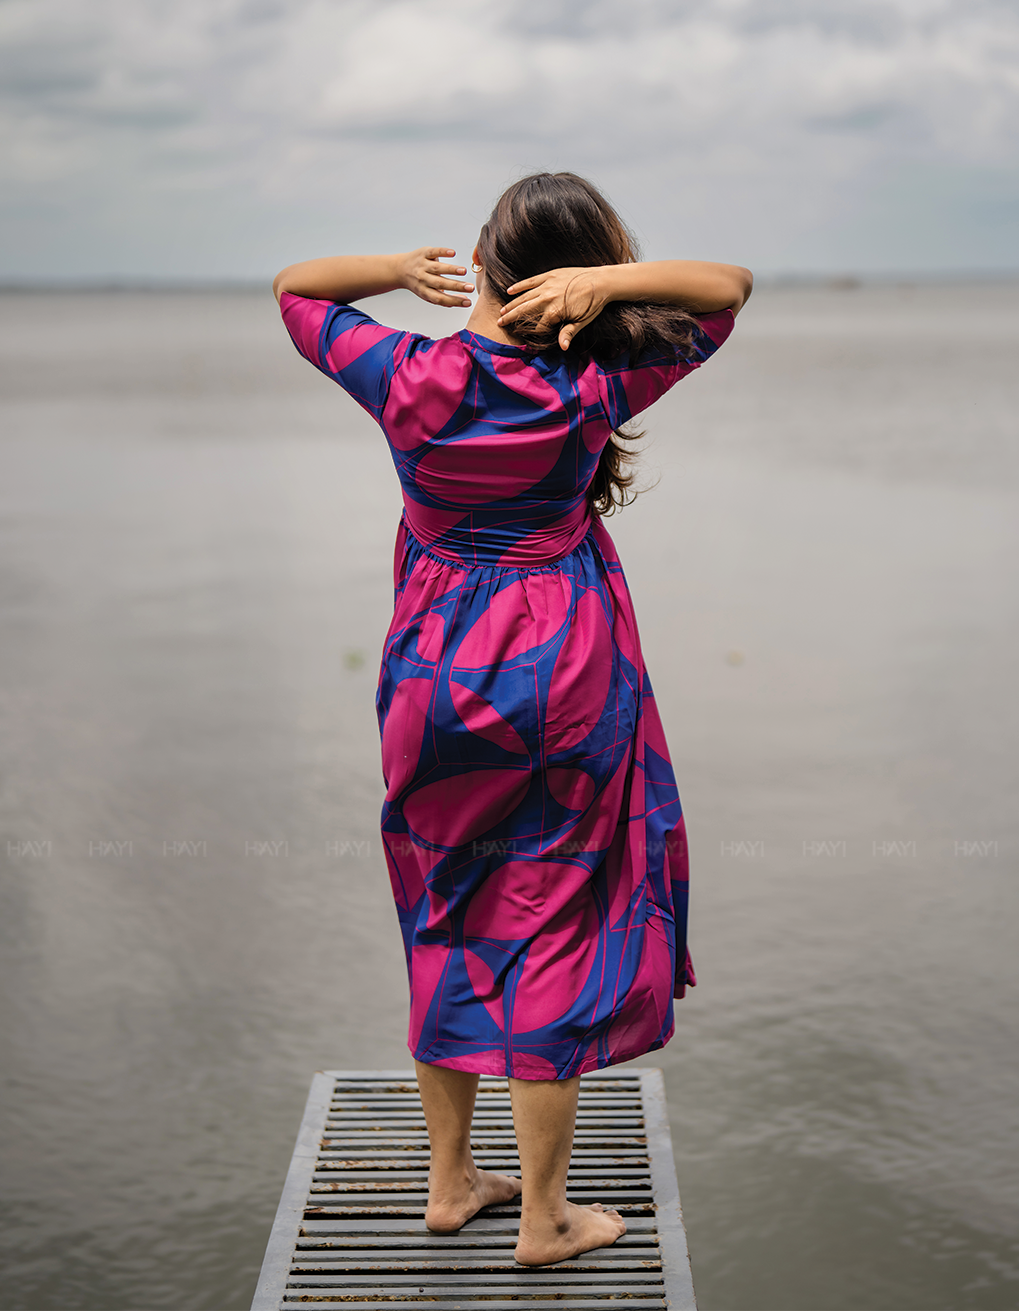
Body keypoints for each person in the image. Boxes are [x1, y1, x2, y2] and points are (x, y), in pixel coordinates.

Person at [273, 170, 751, 1267]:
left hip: (433, 672)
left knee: (441, 906)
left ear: (483, 261)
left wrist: (396, 272)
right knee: (553, 921)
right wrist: (609, 287)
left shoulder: (404, 375)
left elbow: (296, 289)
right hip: (560, 673)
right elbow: (729, 289)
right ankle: (545, 1217)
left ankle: (451, 1183)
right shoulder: (592, 387)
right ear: (584, 275)